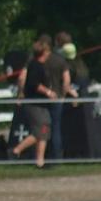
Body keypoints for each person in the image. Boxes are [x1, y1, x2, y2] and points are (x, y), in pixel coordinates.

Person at [10, 38, 55, 169]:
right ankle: (16, 151)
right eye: (47, 51)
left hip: (41, 105)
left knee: (44, 131)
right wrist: (48, 92)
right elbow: (35, 84)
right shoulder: (35, 66)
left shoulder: (38, 66)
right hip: (35, 104)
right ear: (43, 52)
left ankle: (40, 161)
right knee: (40, 131)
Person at [43, 32, 71, 161]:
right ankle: (57, 155)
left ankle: (43, 153)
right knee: (56, 127)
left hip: (43, 96)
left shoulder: (42, 59)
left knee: (43, 127)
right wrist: (64, 95)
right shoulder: (61, 60)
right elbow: (66, 80)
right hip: (58, 97)